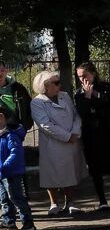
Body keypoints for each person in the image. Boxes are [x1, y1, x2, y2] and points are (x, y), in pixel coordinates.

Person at [74, 62, 110, 213]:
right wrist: (87, 97)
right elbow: (83, 113)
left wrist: (94, 97)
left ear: (93, 73)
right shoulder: (79, 93)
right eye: (79, 77)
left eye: (85, 76)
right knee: (95, 169)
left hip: (107, 133)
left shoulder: (106, 88)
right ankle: (102, 201)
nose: (82, 80)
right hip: (91, 136)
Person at [31, 70, 87, 216]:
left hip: (71, 140)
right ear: (45, 85)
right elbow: (45, 124)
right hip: (53, 143)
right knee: (52, 173)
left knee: (71, 171)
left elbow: (76, 116)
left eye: (59, 81)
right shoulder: (37, 102)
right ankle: (54, 203)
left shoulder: (65, 96)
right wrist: (67, 136)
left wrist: (75, 132)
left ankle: (70, 202)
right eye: (56, 83)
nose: (59, 85)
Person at [0, 105, 35, 230]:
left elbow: (15, 153)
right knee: (4, 198)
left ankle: (27, 221)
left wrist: (5, 166)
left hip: (11, 172)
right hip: (2, 173)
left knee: (15, 197)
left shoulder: (11, 136)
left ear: (2, 118)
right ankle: (8, 220)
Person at [0, 57, 33, 134]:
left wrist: (24, 127)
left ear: (6, 71)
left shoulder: (18, 88)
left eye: (2, 70)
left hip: (16, 131)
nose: (0, 74)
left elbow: (29, 107)